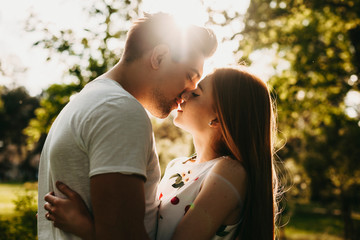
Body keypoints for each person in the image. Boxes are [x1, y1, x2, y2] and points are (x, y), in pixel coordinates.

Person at [37, 12, 217, 240]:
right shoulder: (119, 110)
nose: (190, 90)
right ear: (159, 57)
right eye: (190, 75)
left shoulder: (86, 101)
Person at [44, 67, 280, 240]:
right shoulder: (178, 167)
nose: (184, 95)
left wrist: (85, 227)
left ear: (218, 118)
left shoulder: (229, 172)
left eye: (196, 94)